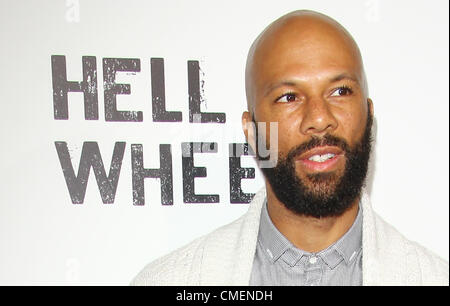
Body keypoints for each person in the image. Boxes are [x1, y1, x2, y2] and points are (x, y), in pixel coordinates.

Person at [131, 10, 449, 286]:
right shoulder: (172, 280)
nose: (320, 118)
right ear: (252, 130)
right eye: (289, 97)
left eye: (340, 91)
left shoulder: (434, 278)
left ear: (369, 113)